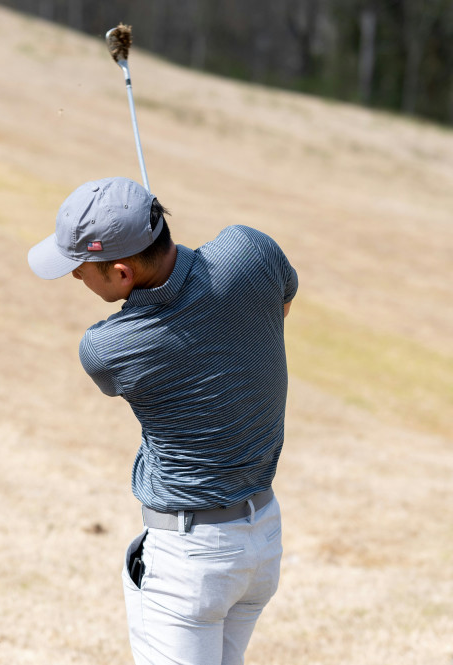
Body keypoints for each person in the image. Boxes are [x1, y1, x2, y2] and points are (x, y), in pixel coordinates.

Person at [28, 177, 298, 665]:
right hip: (262, 538)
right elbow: (279, 304)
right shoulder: (250, 249)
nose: (75, 277)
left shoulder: (108, 347)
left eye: (80, 268)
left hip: (191, 562)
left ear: (121, 273)